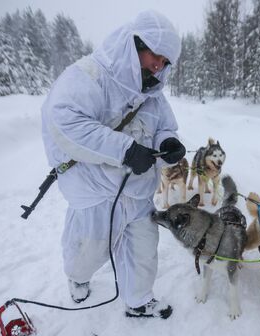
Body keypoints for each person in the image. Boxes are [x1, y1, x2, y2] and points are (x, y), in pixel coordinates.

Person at [41, 10, 185, 319]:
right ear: (134, 45)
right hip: (96, 191)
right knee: (89, 249)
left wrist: (167, 143)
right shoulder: (90, 75)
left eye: (165, 62)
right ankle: (78, 278)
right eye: (155, 56)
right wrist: (126, 150)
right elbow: (65, 121)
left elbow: (165, 126)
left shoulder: (154, 94)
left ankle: (138, 300)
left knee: (143, 252)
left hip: (139, 191)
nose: (158, 66)